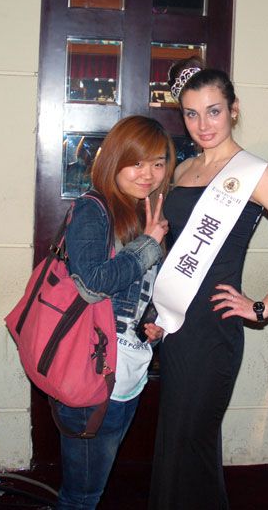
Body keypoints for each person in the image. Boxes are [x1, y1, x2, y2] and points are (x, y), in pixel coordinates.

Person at [149, 58, 268, 509]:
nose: (203, 124)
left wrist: (261, 307)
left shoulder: (256, 173)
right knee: (175, 438)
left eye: (214, 111)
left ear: (234, 110)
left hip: (214, 328)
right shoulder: (181, 171)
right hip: (176, 326)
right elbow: (170, 248)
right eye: (192, 113)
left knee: (195, 440)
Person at [56, 115, 174, 510]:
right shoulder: (93, 210)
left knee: (91, 488)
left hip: (128, 373)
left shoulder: (143, 213)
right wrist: (149, 244)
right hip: (92, 375)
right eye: (136, 162)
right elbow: (91, 284)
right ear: (114, 160)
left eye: (158, 163)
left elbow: (137, 292)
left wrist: (152, 322)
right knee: (81, 497)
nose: (148, 174)